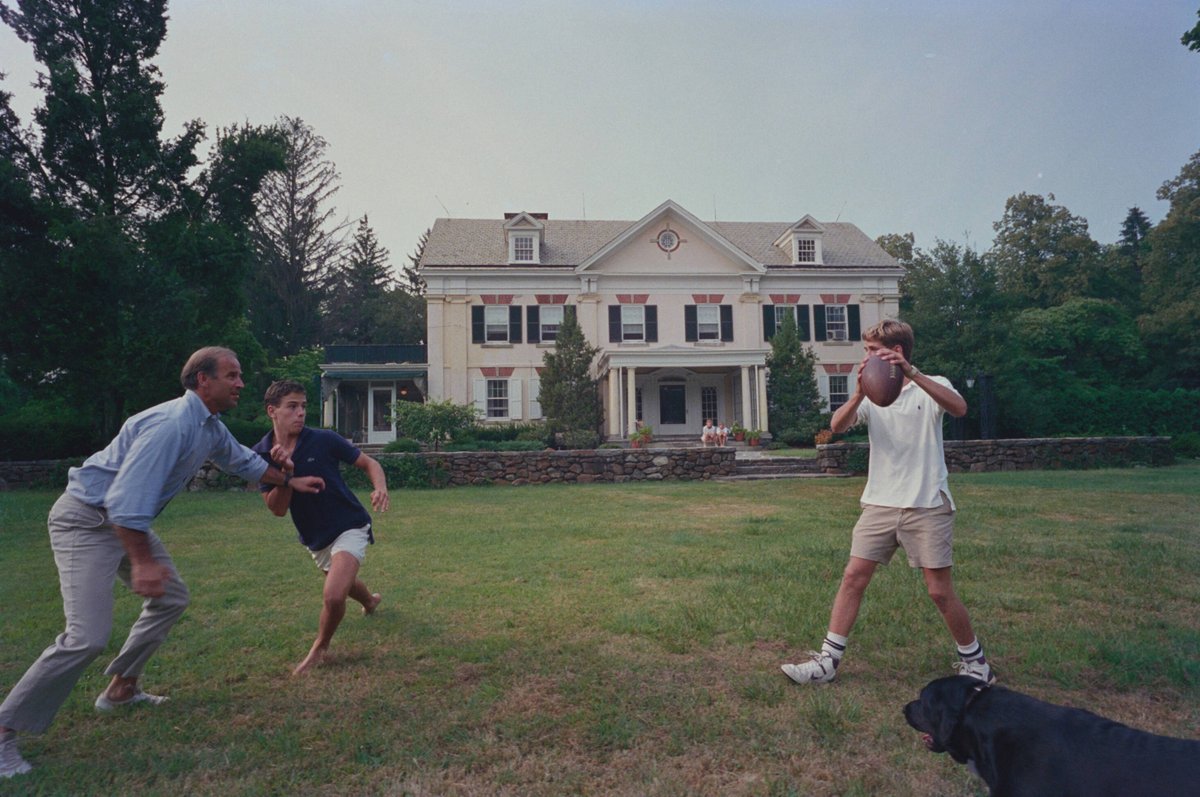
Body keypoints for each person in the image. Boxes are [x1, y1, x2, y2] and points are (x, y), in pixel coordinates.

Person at [0, 347, 324, 779]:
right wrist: (142, 562)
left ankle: (121, 689)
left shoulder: (207, 425)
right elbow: (123, 501)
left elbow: (242, 461)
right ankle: (4, 731)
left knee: (171, 598)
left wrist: (287, 478)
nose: (241, 383)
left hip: (122, 520)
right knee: (86, 637)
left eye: (240, 375)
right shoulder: (172, 425)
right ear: (202, 380)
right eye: (232, 375)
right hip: (88, 521)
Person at [781, 320, 994, 686]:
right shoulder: (875, 393)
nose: (865, 357)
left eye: (872, 351)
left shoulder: (933, 385)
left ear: (896, 352)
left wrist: (912, 373)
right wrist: (860, 392)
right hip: (879, 503)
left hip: (927, 502)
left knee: (939, 590)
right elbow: (837, 425)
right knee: (853, 577)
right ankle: (827, 663)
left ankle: (976, 664)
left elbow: (959, 408)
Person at [253, 380, 389, 675]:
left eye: (303, 406)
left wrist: (380, 488)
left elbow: (369, 463)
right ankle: (370, 601)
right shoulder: (261, 454)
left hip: (350, 523)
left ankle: (320, 648)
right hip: (315, 537)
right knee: (345, 584)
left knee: (334, 594)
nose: (300, 413)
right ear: (272, 411)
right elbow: (277, 509)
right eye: (292, 406)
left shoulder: (324, 439)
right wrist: (287, 472)